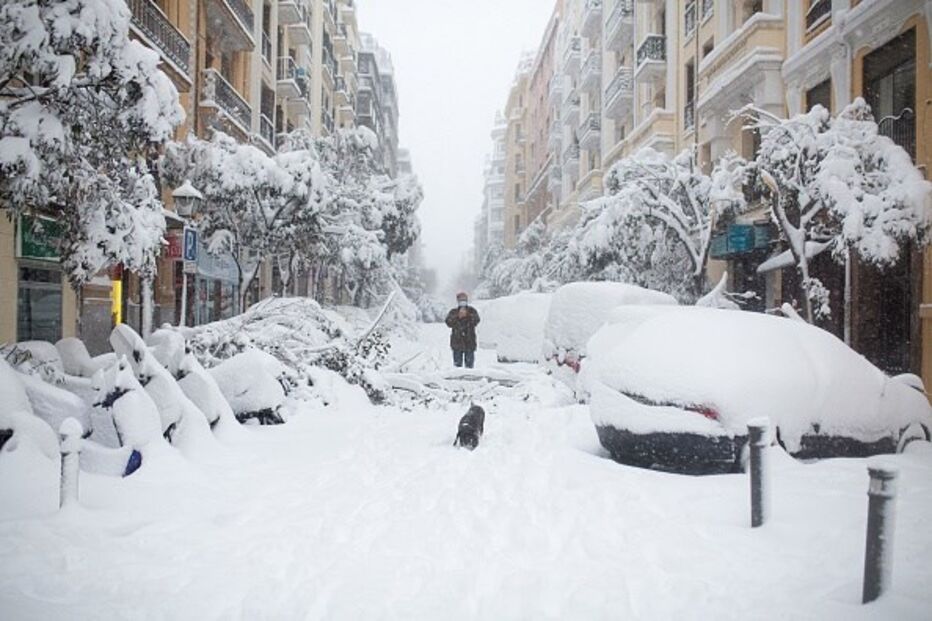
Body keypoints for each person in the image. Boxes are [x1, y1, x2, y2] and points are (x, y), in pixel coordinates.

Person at [445, 292, 480, 369]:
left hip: (469, 342)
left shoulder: (472, 311)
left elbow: (476, 320)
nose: (462, 302)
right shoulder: (453, 312)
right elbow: (448, 322)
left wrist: (468, 316)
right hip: (457, 342)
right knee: (457, 366)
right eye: (461, 300)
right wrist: (458, 317)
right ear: (458, 301)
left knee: (469, 366)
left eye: (464, 300)